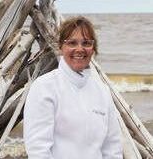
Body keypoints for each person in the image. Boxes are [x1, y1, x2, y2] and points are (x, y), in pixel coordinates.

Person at [24, 16, 123, 159]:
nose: (79, 49)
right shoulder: (44, 87)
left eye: (86, 43)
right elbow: (38, 150)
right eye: (72, 43)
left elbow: (112, 147)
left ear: (93, 48)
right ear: (61, 46)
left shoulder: (102, 91)